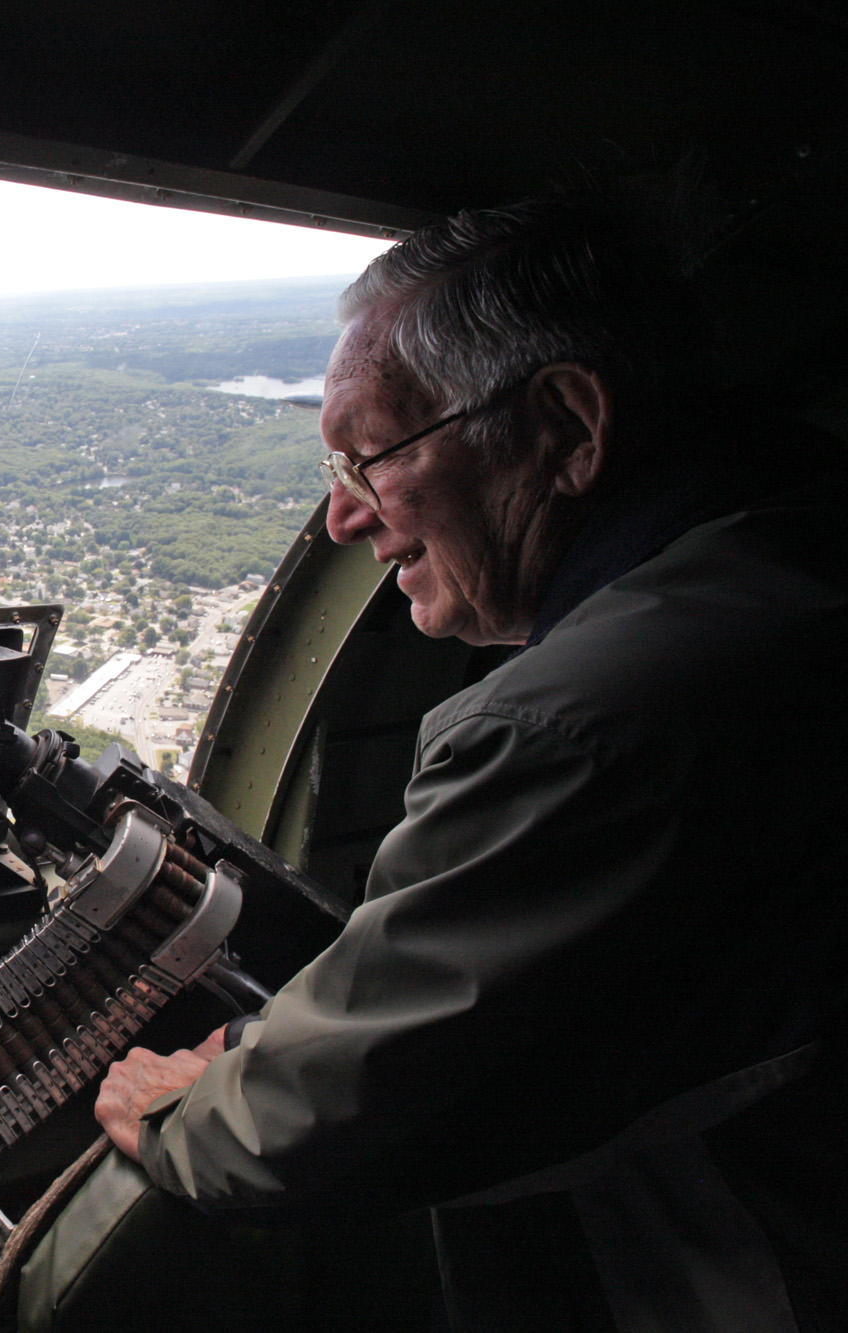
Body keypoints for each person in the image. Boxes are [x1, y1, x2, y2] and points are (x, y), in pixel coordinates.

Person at [62, 196, 846, 1330]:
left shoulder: (587, 720)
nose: (341, 519)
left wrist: (187, 1101)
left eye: (367, 456)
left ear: (570, 428)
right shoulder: (794, 551)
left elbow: (317, 1131)